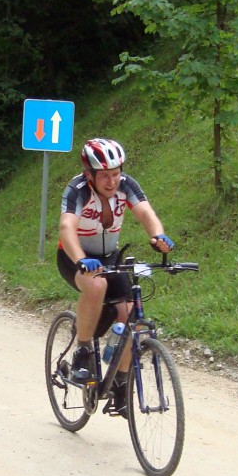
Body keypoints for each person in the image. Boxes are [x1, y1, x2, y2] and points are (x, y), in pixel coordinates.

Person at [57, 138, 174, 417]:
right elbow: (66, 226)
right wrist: (81, 260)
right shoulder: (78, 190)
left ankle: (121, 383)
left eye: (116, 173)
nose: (112, 181)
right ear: (90, 175)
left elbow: (146, 212)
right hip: (74, 255)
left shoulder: (126, 185)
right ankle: (83, 352)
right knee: (96, 285)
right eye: (105, 175)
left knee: (130, 312)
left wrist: (157, 235)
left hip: (110, 256)